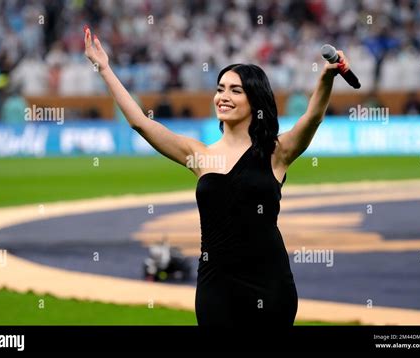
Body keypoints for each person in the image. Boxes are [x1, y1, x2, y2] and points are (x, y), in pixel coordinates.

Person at [83, 25, 350, 326]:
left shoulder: (277, 152)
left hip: (270, 284)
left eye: (236, 90)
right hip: (216, 288)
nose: (223, 96)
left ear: (255, 100)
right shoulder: (199, 155)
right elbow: (141, 124)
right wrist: (103, 67)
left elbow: (312, 117)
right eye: (220, 88)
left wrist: (326, 77)